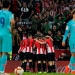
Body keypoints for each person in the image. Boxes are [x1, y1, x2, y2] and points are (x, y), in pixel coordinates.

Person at [0, 0, 15, 74]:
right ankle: (2, 71)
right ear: (9, 6)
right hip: (6, 33)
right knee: (4, 53)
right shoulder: (9, 13)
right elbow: (12, 22)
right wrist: (11, 30)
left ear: (2, 5)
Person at [62, 9, 75, 74]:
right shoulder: (69, 23)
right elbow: (66, 32)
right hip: (72, 40)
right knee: (73, 54)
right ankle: (73, 69)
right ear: (73, 14)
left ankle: (68, 66)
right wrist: (64, 40)